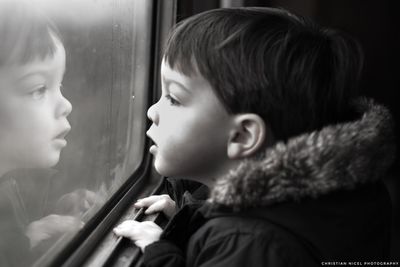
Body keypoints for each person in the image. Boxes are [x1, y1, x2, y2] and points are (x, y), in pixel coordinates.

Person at [114, 7, 396, 266]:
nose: (152, 111)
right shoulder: (328, 199)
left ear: (242, 136)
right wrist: (190, 217)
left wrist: (160, 253)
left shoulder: (251, 243)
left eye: (174, 98)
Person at [0, 0, 74, 265]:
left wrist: (30, 234)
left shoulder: (11, 187)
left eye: (60, 84)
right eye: (39, 88)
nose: (66, 105)